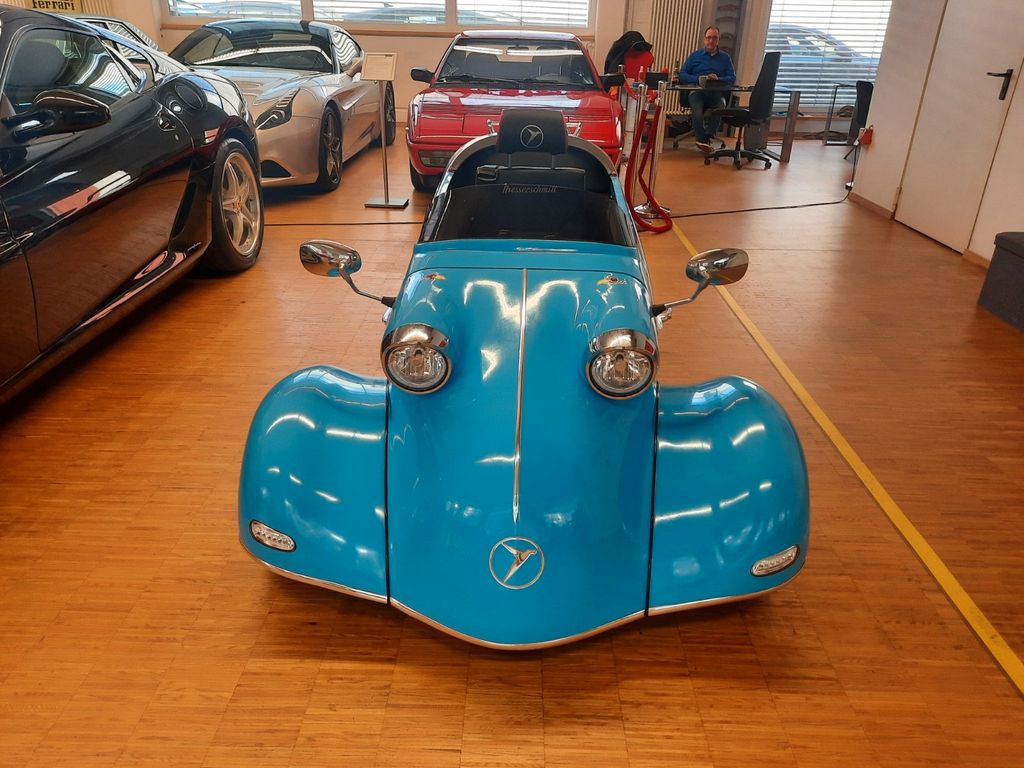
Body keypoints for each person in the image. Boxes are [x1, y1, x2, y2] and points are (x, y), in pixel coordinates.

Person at [678, 26, 736, 153]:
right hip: (697, 91)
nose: (711, 41)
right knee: (697, 109)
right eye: (708, 38)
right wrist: (699, 78)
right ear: (704, 39)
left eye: (714, 38)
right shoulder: (695, 56)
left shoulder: (725, 58)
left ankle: (708, 136)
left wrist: (718, 78)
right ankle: (701, 139)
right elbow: (682, 75)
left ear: (718, 40)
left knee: (720, 106)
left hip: (715, 92)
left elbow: (732, 78)